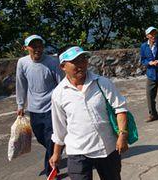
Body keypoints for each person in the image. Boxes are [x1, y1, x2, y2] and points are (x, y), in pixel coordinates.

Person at [49, 46, 128, 180]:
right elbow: (59, 128)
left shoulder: (102, 83)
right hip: (77, 152)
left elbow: (120, 109)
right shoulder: (59, 94)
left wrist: (122, 135)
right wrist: (56, 153)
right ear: (63, 66)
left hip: (107, 148)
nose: (81, 65)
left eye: (83, 60)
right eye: (75, 62)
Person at [15, 34, 63, 176]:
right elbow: (21, 84)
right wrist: (20, 104)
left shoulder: (52, 62)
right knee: (42, 138)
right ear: (26, 48)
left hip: (51, 108)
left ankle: (51, 171)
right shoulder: (22, 63)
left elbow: (61, 84)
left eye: (40, 45)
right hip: (34, 109)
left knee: (50, 139)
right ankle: (56, 151)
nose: (37, 49)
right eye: (33, 46)